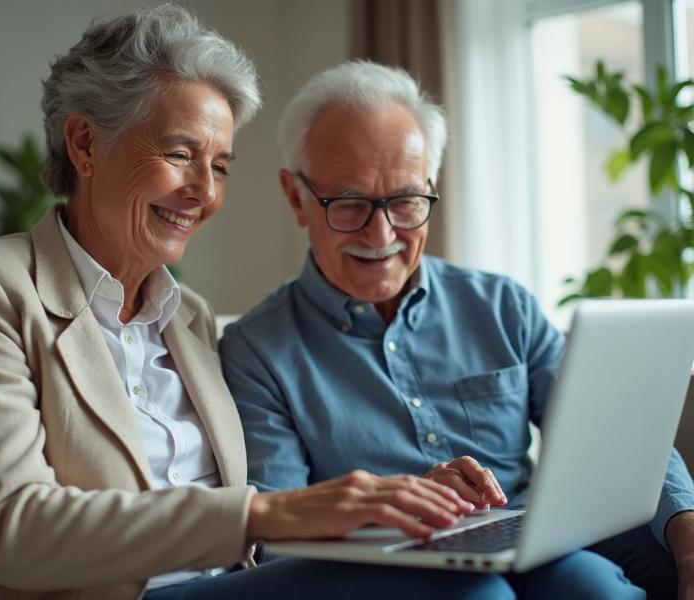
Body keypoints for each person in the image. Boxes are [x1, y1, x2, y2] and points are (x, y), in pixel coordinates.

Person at [0, 9, 525, 600]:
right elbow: (10, 524)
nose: (204, 192)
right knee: (472, 593)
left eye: (220, 166)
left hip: (229, 587)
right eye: (180, 155)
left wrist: (387, 507)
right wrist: (262, 512)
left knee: (496, 579)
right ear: (85, 144)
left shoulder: (189, 317)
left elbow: (261, 540)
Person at [219, 60, 694, 599]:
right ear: (295, 197)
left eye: (405, 202)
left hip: (530, 542)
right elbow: (276, 540)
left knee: (598, 589)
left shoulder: (503, 306)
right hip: (389, 571)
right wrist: (393, 507)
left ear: (430, 187)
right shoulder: (256, 350)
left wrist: (687, 525)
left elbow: (618, 440)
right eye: (349, 204)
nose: (382, 234)